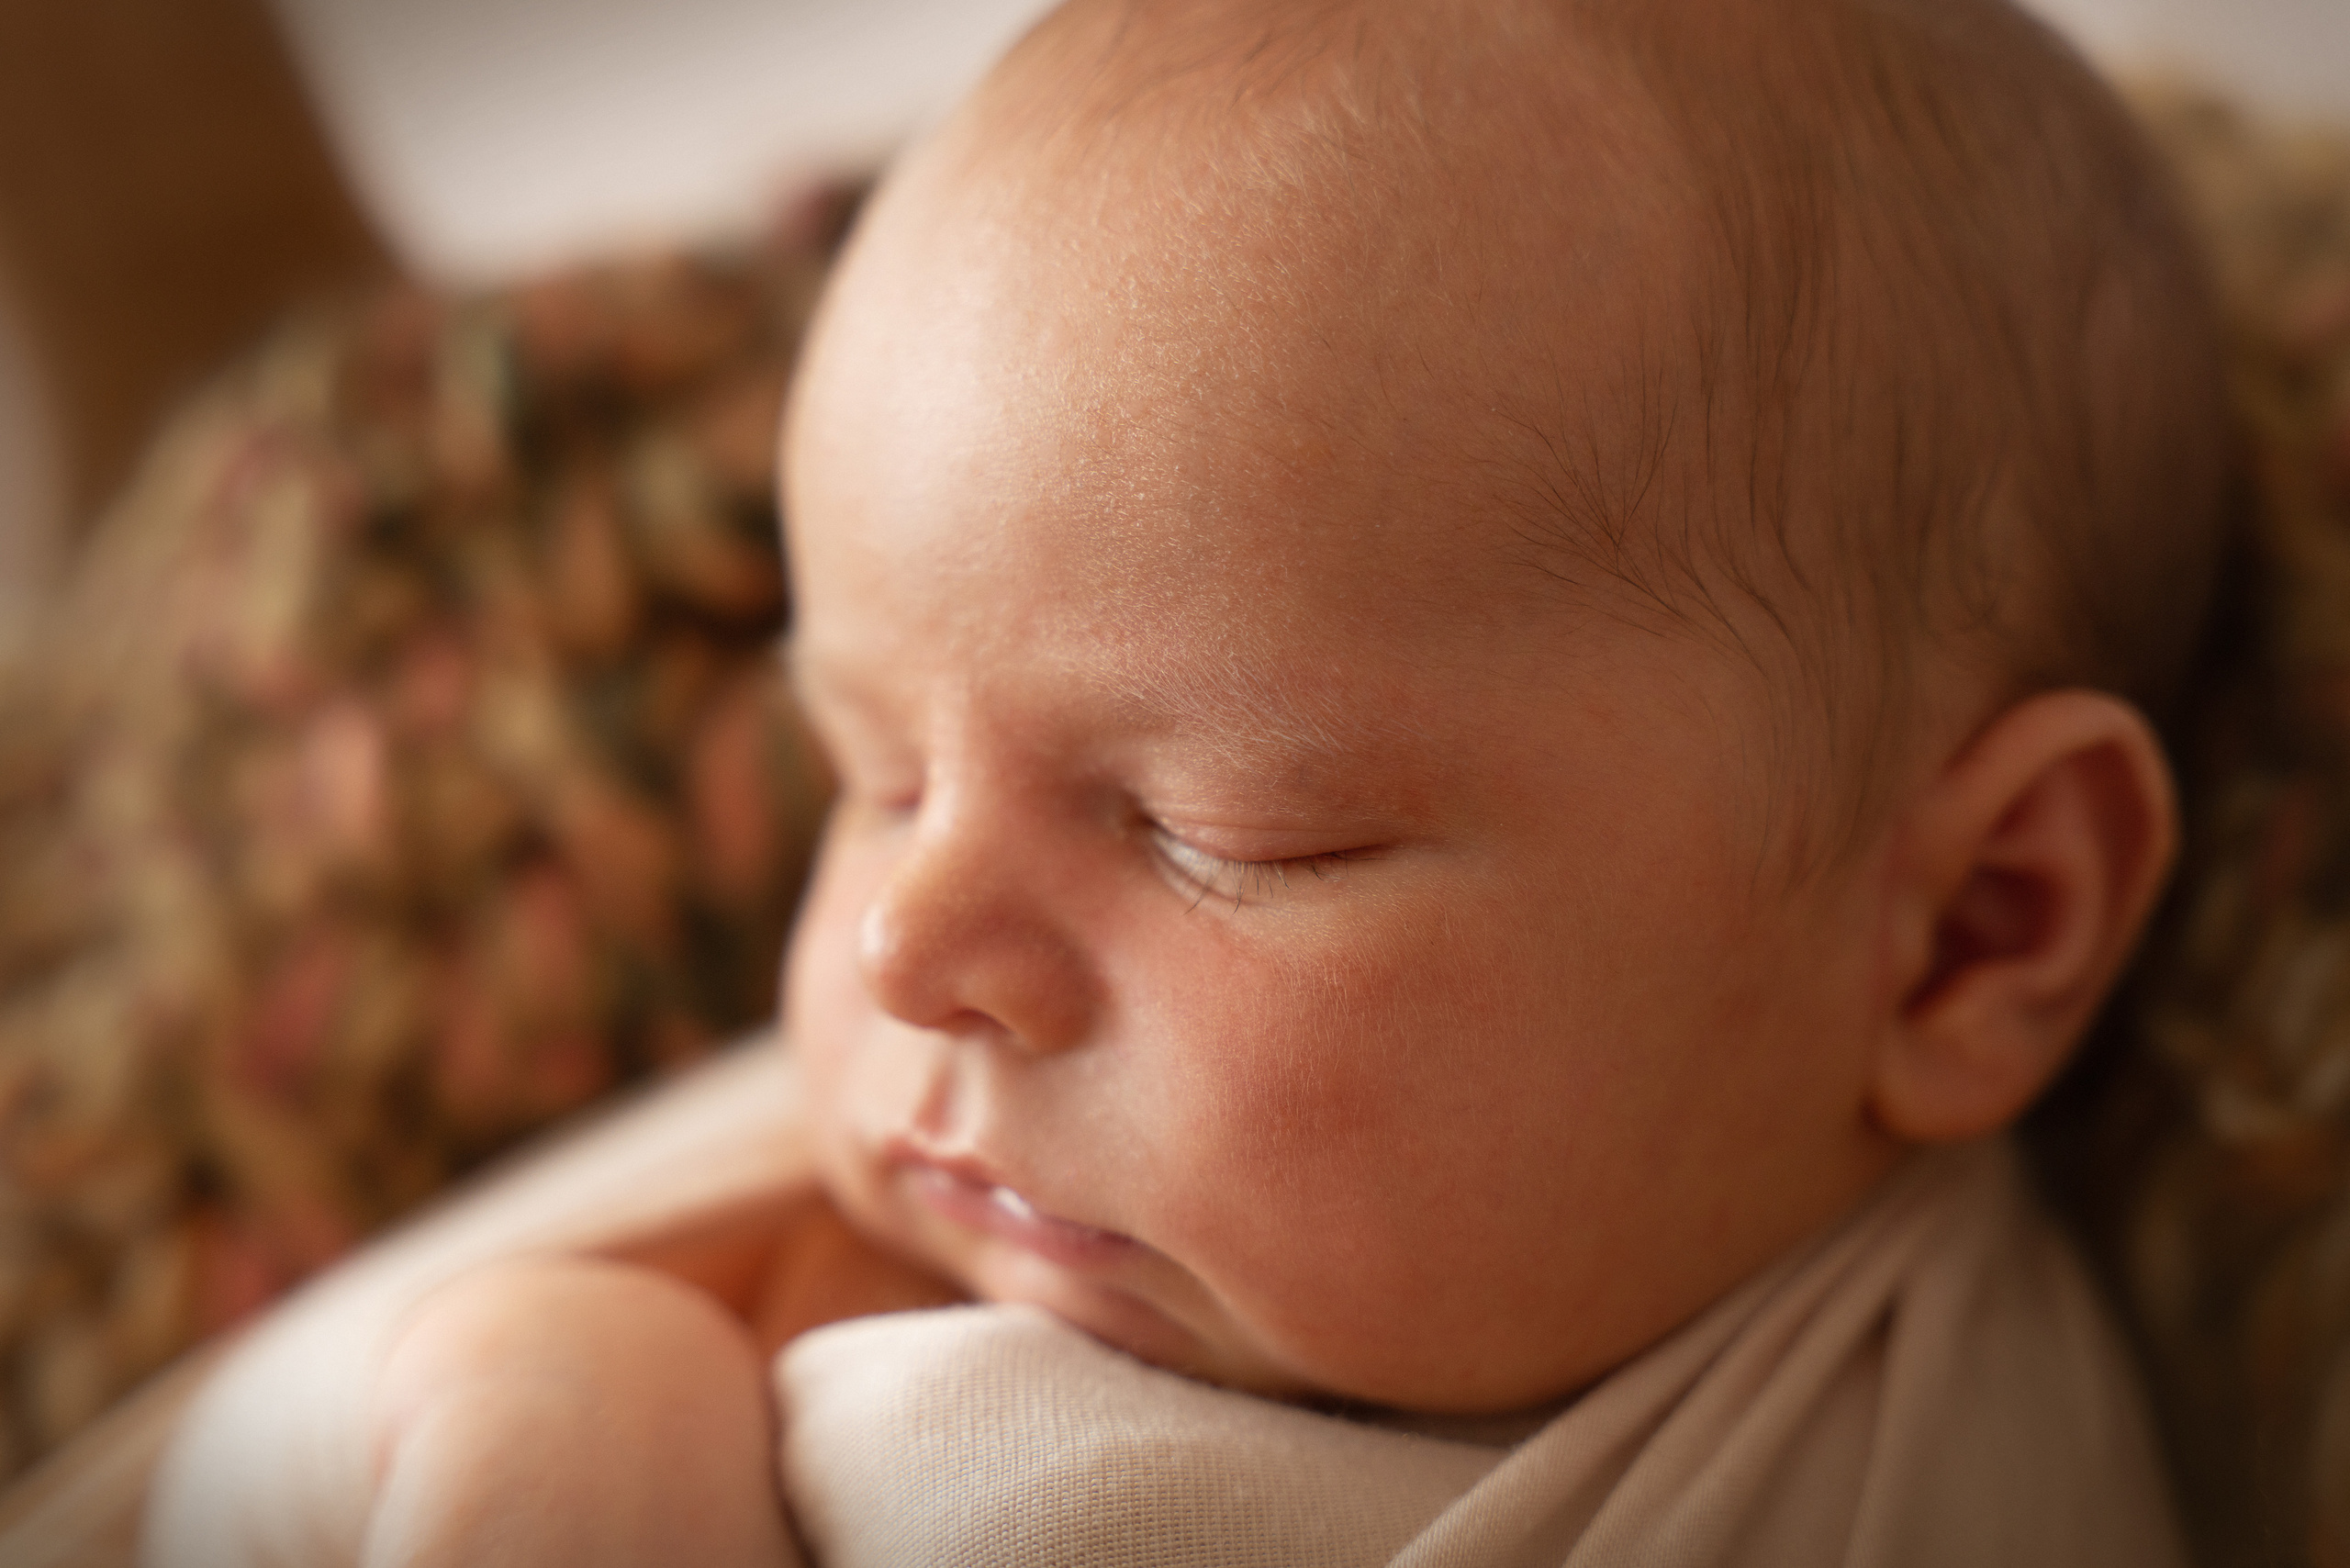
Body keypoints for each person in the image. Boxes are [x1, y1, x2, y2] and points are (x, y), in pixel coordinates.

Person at [142, 0, 2235, 1562]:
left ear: (1979, 925)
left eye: (1219, 828)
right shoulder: (811, 1287)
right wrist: (573, 1402)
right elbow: (205, 1481)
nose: (907, 947)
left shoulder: (1943, 1468)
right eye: (864, 774)